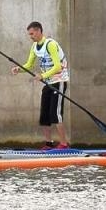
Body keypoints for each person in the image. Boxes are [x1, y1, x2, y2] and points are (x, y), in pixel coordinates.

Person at [11, 21, 71, 149]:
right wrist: (19, 69)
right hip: (48, 83)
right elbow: (29, 65)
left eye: (32, 34)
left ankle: (64, 144)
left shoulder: (51, 44)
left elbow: (57, 66)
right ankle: (49, 143)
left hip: (59, 81)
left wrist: (42, 76)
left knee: (56, 114)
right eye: (29, 34)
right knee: (44, 115)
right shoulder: (34, 47)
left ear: (38, 31)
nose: (30, 36)